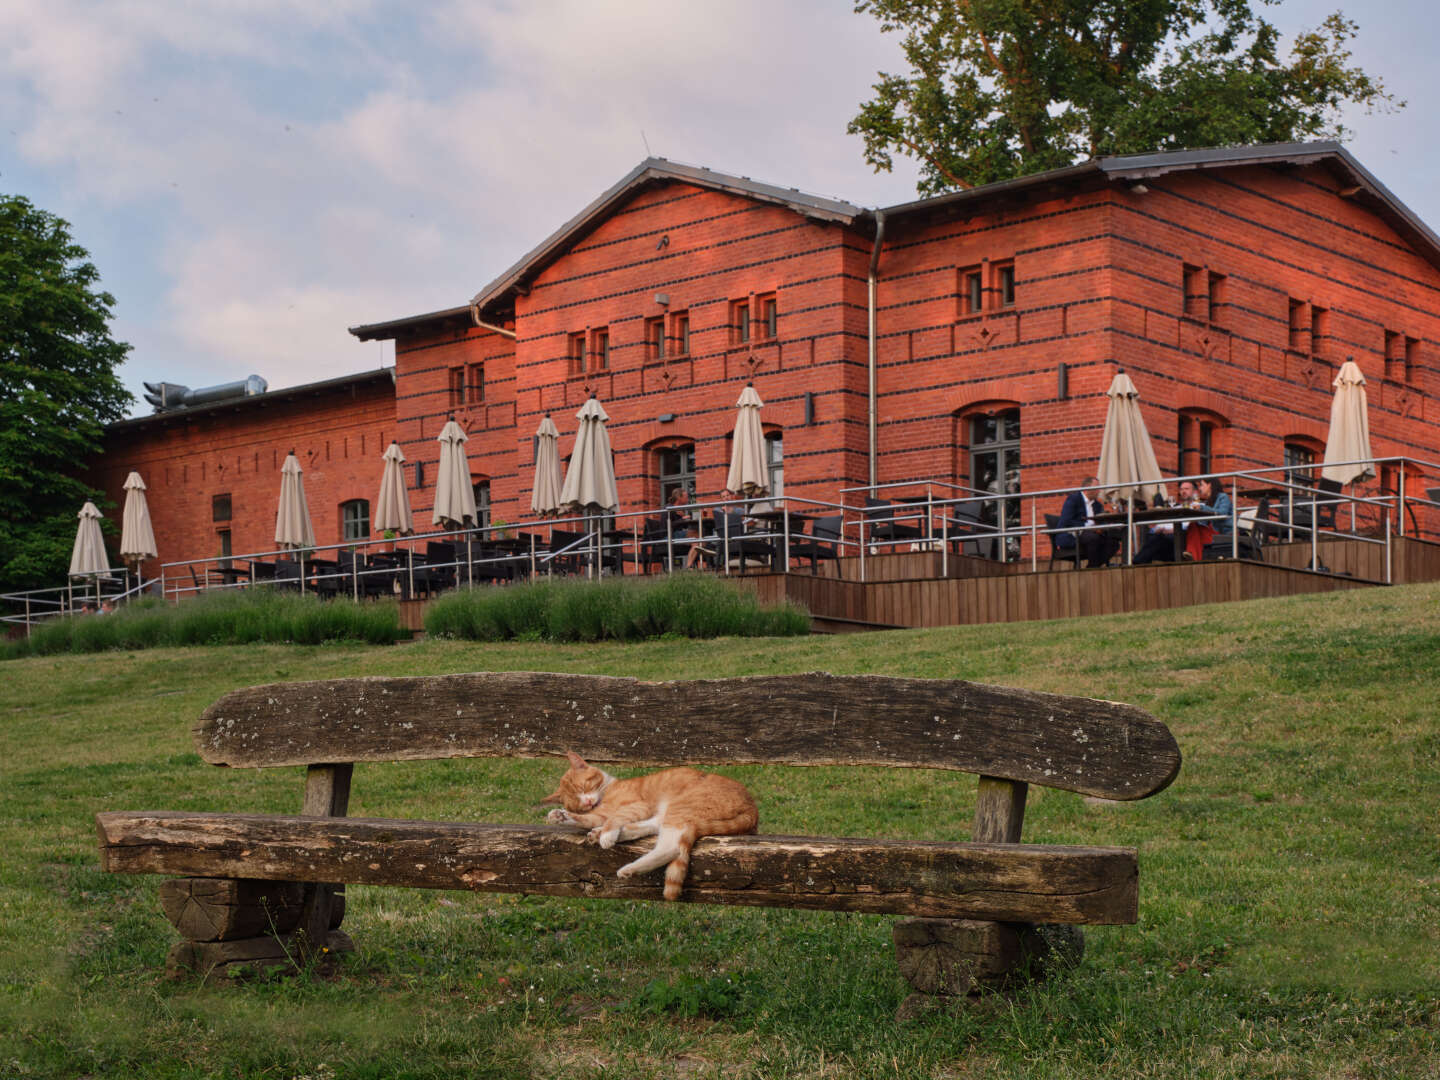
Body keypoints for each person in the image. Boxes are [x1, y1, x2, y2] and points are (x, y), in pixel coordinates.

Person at [1055, 476, 1121, 568]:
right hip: (1072, 533)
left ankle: (1092, 566)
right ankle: (1094, 567)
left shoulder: (1097, 505)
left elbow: (1100, 521)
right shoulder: (1073, 499)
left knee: (1113, 543)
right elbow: (1067, 520)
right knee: (1093, 537)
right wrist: (1089, 526)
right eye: (1097, 488)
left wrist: (1105, 526)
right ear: (1087, 488)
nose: (1099, 491)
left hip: (1093, 533)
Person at [1133, 481, 1196, 565]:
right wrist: (1157, 529)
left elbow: (1192, 525)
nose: (1183, 491)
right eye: (1181, 489)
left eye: (1187, 489)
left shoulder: (1197, 506)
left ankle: (1137, 562)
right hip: (1166, 537)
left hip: (1182, 537)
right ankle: (1139, 563)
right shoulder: (1175, 508)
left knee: (1157, 540)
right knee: (1153, 536)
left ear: (1194, 491)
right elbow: (1163, 524)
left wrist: (1174, 530)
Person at [1184, 477, 1234, 561]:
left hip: (1223, 533)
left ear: (1209, 485)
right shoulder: (1208, 501)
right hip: (1212, 532)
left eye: (1202, 485)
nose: (1200, 488)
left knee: (1194, 527)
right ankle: (1192, 554)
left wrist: (1202, 507)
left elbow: (1222, 513)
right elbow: (1205, 522)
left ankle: (1194, 556)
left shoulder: (1223, 497)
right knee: (1193, 525)